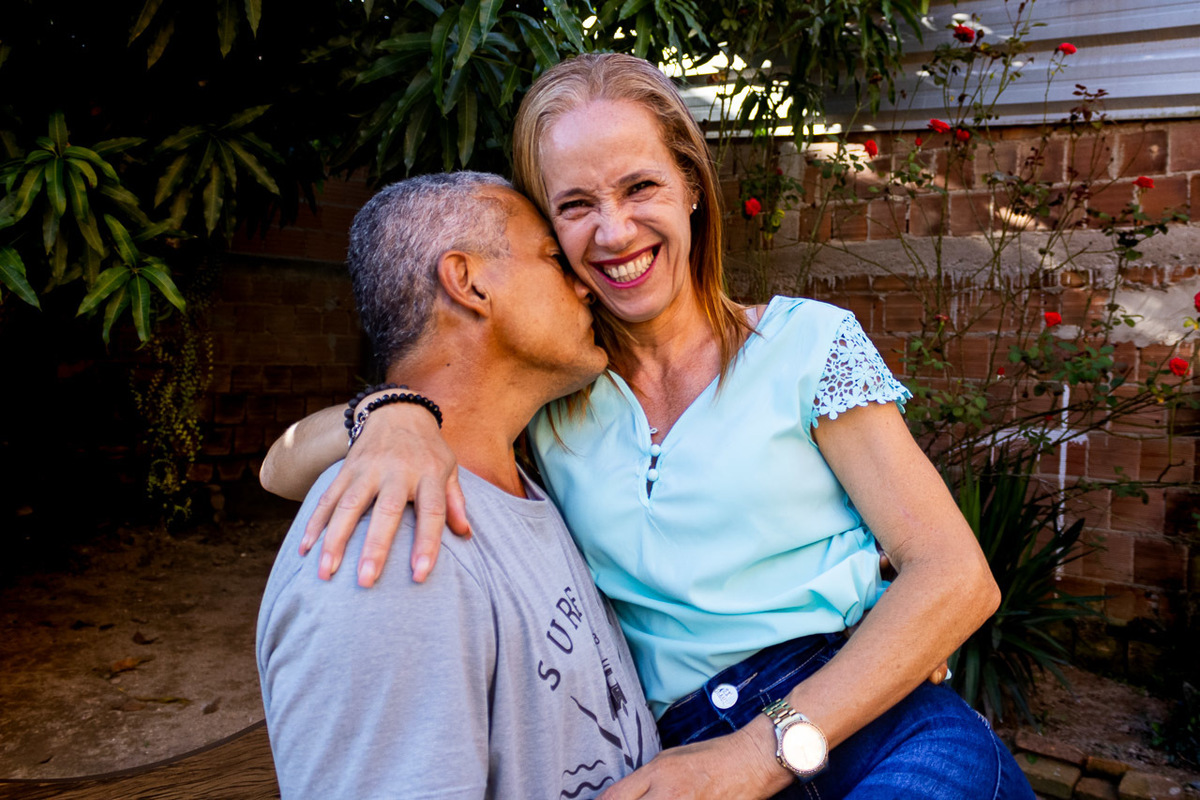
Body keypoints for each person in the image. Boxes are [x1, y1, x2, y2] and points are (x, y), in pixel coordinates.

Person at [261, 54, 1034, 799]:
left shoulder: (806, 345)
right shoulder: (556, 399)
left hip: (864, 723)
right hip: (687, 758)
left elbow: (954, 575)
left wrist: (757, 753)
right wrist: (393, 416)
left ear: (691, 185)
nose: (615, 231)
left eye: (640, 187)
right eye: (575, 206)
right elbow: (279, 469)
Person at [256, 171, 660, 799]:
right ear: (468, 282)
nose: (587, 284)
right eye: (554, 259)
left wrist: (389, 409)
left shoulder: (519, 483)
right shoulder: (395, 544)